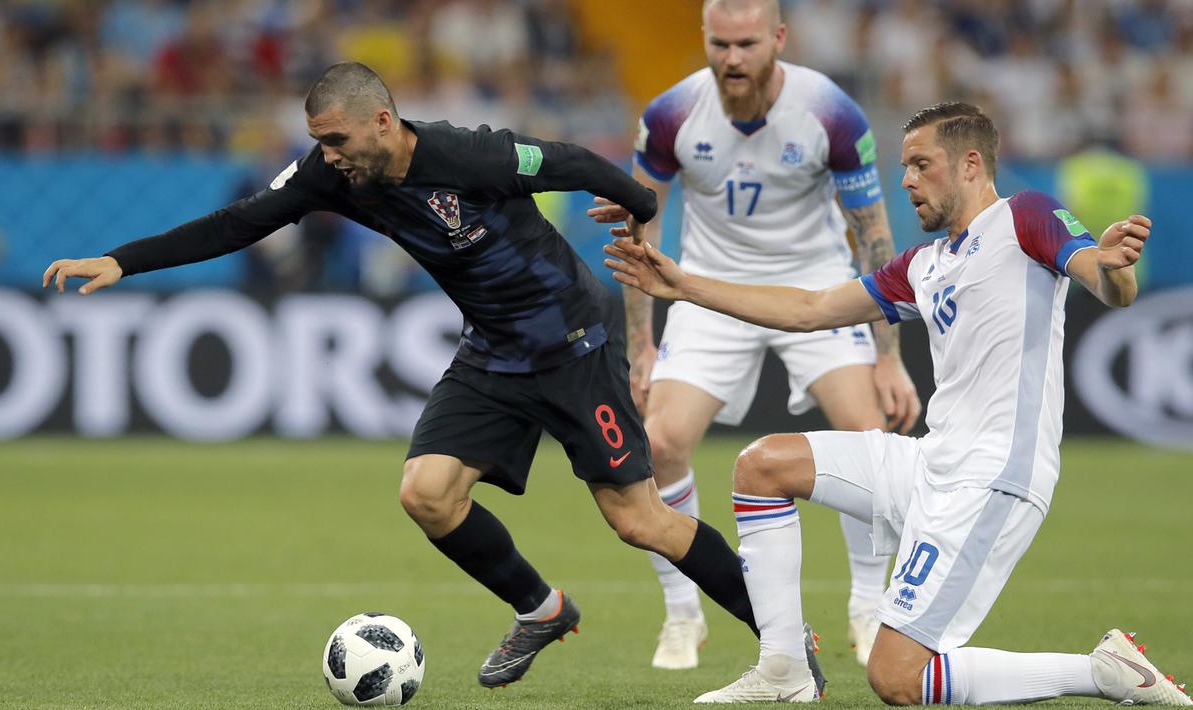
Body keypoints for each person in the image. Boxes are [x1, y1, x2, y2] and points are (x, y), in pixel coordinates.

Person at [42, 61, 771, 691]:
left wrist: (639, 209)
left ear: (383, 122)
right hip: (493, 352)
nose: (327, 155)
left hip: (573, 342)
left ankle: (781, 638)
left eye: (337, 139)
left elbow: (570, 160)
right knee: (426, 494)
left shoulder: (469, 156)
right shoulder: (331, 177)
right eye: (318, 143)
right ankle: (540, 610)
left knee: (637, 521)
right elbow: (239, 222)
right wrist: (123, 259)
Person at [603, 101, 1191, 705]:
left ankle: (1102, 672)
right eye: (903, 165)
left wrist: (1117, 267)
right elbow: (809, 311)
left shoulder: (1026, 217)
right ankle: (784, 671)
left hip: (993, 478)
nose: (905, 179)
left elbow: (1105, 280)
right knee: (763, 465)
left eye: (919, 164)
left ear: (969, 164)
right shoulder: (925, 264)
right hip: (933, 463)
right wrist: (683, 287)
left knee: (898, 678)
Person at [587, 0, 919, 670]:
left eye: (745, 44)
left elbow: (874, 236)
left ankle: (866, 605)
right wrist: (642, 346)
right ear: (703, 39)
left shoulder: (830, 111)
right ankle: (682, 615)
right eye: (719, 44)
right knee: (660, 442)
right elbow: (639, 233)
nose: (731, 59)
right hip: (708, 290)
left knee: (868, 438)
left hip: (815, 287)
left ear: (777, 38)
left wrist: (890, 358)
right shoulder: (670, 115)